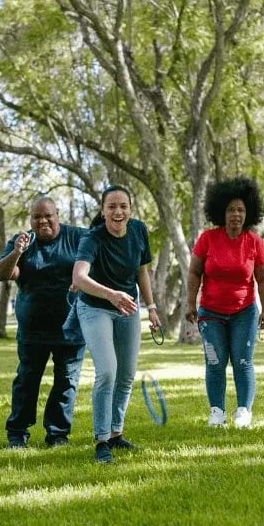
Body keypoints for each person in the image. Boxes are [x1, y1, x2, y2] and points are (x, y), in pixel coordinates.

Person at [71, 185, 161, 464]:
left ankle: (115, 434)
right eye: (112, 207)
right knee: (107, 372)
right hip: (95, 307)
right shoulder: (93, 238)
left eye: (123, 206)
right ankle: (101, 441)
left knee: (126, 374)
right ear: (103, 210)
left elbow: (141, 270)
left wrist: (152, 307)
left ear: (130, 209)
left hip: (128, 309)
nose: (118, 212)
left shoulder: (138, 231)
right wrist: (111, 294)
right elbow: (79, 277)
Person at [0, 196, 88, 448]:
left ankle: (57, 434)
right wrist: (17, 252)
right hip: (32, 328)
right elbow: (2, 273)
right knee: (26, 380)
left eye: (48, 215)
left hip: (71, 327)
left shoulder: (79, 237)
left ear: (58, 214)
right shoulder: (22, 241)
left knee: (66, 381)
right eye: (36, 217)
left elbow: (97, 263)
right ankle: (17, 433)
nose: (42, 221)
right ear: (31, 219)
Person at [185, 177, 264, 429]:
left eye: (241, 210)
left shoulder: (254, 241)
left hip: (244, 311)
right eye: (231, 209)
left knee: (243, 361)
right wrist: (191, 302)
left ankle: (243, 410)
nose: (236, 214)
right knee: (215, 361)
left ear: (249, 214)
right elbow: (194, 273)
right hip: (211, 312)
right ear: (221, 212)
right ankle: (217, 412)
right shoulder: (208, 238)